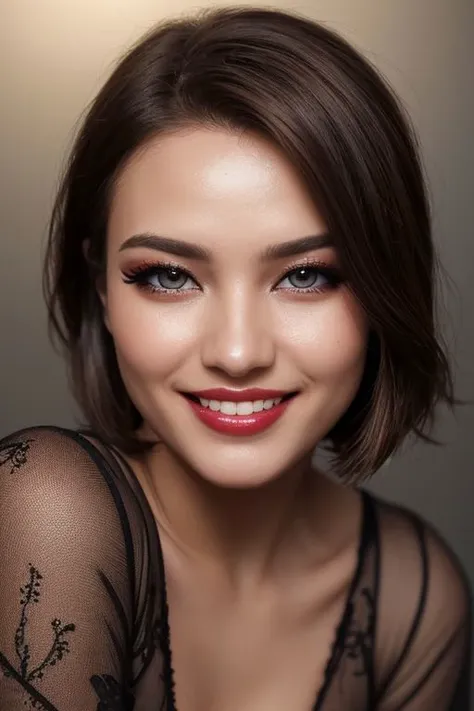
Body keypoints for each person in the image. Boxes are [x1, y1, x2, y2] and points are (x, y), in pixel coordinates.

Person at [0, 5, 471, 710]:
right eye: (168, 274)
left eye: (306, 275)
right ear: (101, 285)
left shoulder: (414, 593)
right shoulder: (48, 510)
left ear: (381, 286)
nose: (238, 351)